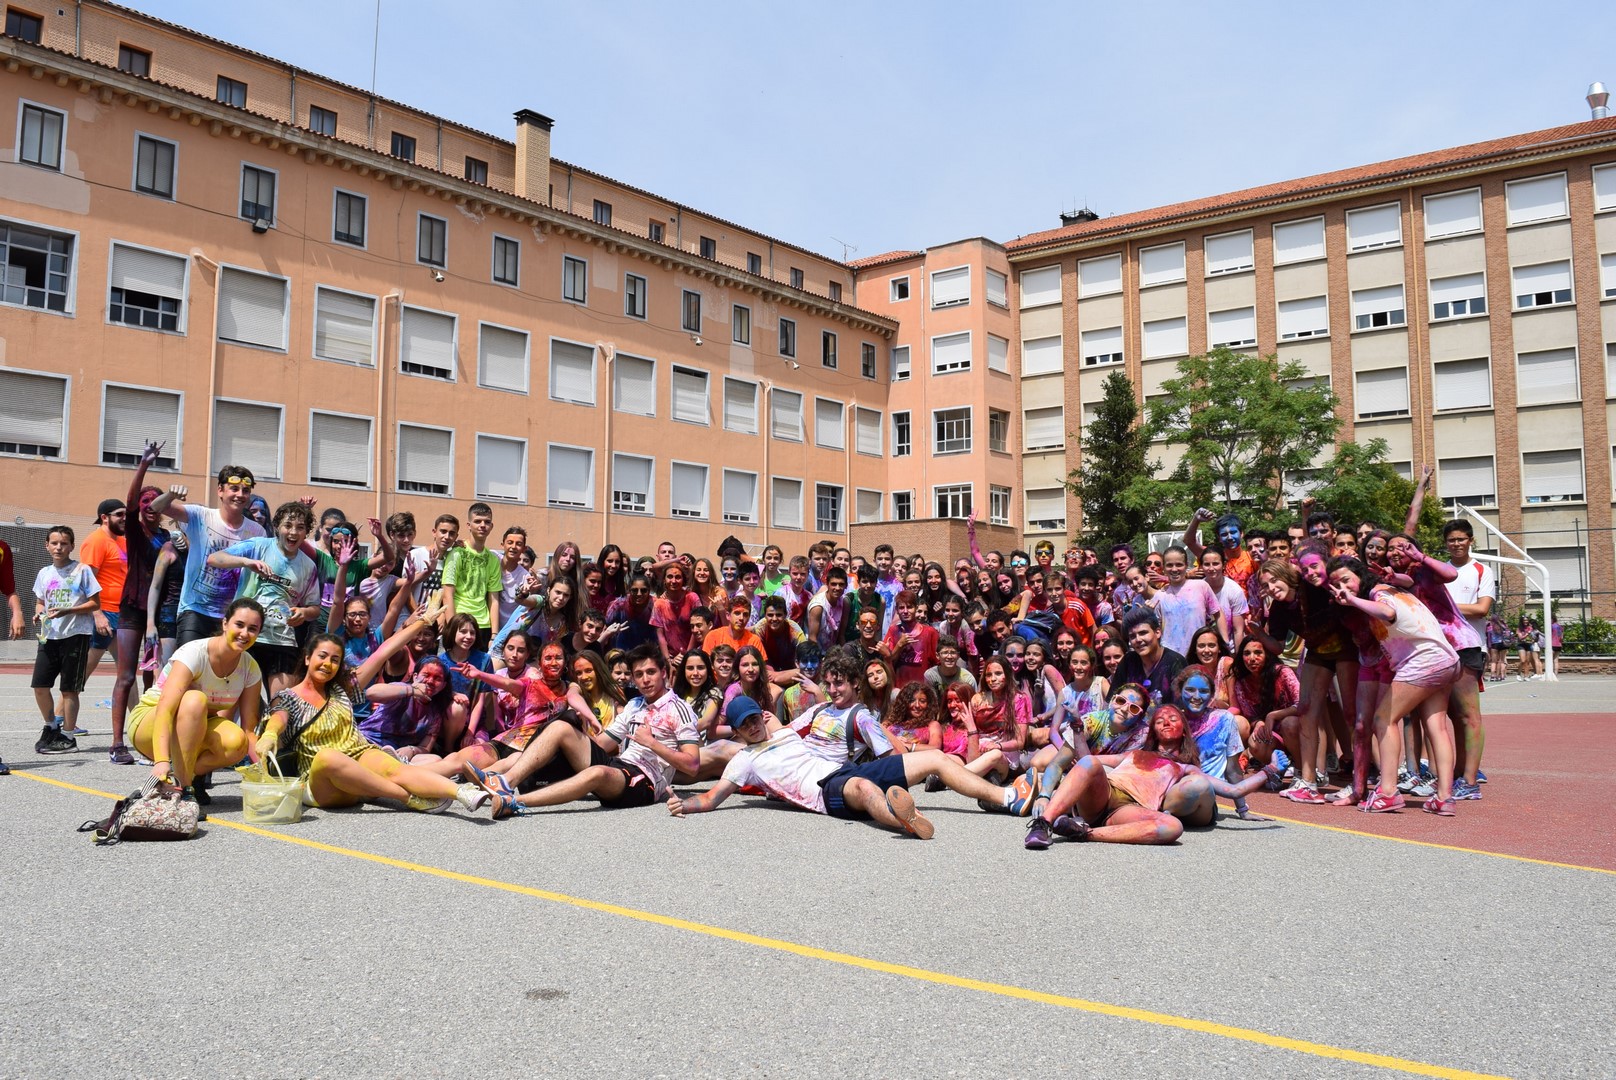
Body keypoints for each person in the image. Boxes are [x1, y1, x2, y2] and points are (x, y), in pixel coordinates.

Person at [666, 694, 1037, 838]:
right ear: (738, 730)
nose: (752, 725)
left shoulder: (784, 730)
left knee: (936, 758)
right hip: (825, 793)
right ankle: (904, 820)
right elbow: (713, 797)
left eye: (754, 718)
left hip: (844, 770)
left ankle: (1008, 797)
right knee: (865, 791)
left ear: (762, 717)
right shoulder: (745, 760)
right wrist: (685, 803)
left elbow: (822, 704)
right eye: (744, 724)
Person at [255, 612, 491, 815]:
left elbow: (381, 653)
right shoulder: (288, 696)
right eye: (322, 656)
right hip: (323, 785)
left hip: (358, 759)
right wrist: (270, 734)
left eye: (335, 660)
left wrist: (421, 623)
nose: (328, 664)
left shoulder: (341, 690)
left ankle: (461, 793)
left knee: (393, 766)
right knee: (328, 757)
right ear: (307, 658)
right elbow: (279, 717)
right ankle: (406, 797)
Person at [473, 644, 701, 816]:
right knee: (562, 726)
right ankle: (506, 782)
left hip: (646, 781)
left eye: (650, 672)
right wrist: (576, 740)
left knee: (597, 773)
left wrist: (653, 744)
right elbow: (605, 743)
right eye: (639, 675)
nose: (645, 680)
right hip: (619, 765)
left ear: (663, 672)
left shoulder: (679, 709)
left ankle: (515, 803)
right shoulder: (635, 704)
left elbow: (692, 765)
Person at [1022, 704, 1271, 849]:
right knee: (1089, 763)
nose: (1165, 723)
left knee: (1173, 826)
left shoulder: (1185, 769)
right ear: (1153, 731)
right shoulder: (1135, 753)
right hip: (1104, 794)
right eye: (1160, 721)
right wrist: (1078, 730)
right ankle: (1043, 825)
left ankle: (1083, 833)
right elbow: (1087, 762)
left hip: (1131, 810)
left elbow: (1234, 790)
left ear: (1184, 729)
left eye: (1172, 719)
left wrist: (1268, 771)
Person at [1328, 556, 1460, 815]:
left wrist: (1352, 600)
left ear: (1360, 577)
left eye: (1346, 580)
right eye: (1336, 584)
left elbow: (1388, 614)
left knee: (1383, 720)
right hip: (1446, 660)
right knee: (1437, 726)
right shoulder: (1394, 590)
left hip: (1424, 662)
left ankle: (1388, 792)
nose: (1343, 587)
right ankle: (1445, 797)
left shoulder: (1380, 594)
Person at [125, 597, 265, 807]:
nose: (245, 633)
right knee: (194, 698)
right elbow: (165, 708)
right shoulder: (194, 653)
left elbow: (249, 730)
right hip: (150, 722)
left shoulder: (250, 669)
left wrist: (266, 773)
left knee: (236, 743)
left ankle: (180, 779)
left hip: (195, 727)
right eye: (239, 625)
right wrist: (162, 761)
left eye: (253, 629)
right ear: (225, 623)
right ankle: (185, 789)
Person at [206, 501, 321, 696]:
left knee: (280, 704)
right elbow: (214, 559)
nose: (293, 532)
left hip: (282, 641)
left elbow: (314, 608)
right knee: (233, 700)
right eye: (288, 526)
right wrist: (246, 562)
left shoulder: (308, 566)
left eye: (300, 528)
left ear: (306, 532)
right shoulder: (258, 546)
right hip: (247, 636)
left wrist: (303, 612)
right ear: (277, 527)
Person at [152, 467, 267, 645]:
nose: (240, 495)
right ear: (220, 490)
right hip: (194, 609)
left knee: (219, 671)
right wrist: (170, 494)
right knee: (189, 666)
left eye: (246, 490)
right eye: (234, 489)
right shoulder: (201, 516)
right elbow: (156, 506)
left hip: (232, 616)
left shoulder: (257, 531)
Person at [30, 525, 102, 754]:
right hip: (49, 636)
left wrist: (68, 610)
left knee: (69, 690)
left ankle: (68, 737)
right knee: (40, 685)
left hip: (75, 636)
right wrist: (38, 612)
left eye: (63, 543)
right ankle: (51, 726)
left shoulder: (81, 570)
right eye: (54, 543)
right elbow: (41, 601)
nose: (59, 547)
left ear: (71, 546)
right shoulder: (44, 573)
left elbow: (95, 603)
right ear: (47, 546)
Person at [79, 496, 128, 713]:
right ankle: (60, 719)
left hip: (122, 613)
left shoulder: (122, 540)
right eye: (120, 514)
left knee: (127, 672)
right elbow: (86, 581)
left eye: (126, 514)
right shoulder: (96, 540)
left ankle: (137, 721)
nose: (125, 518)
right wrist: (97, 614)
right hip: (103, 614)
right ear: (104, 518)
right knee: (84, 670)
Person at [440, 503, 500, 648]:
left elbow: (494, 599)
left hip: (483, 626)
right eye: (477, 521)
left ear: (491, 526)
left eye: (487, 522)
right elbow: (447, 594)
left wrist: (494, 635)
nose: (482, 525)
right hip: (459, 623)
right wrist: (453, 628)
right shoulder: (456, 553)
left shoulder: (493, 559)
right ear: (468, 525)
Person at [1113, 608, 1186, 707]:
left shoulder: (1175, 662)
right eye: (1133, 636)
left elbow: (1180, 708)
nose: (1138, 639)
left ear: (1158, 632)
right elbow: (1113, 701)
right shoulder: (1128, 661)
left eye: (1143, 633)